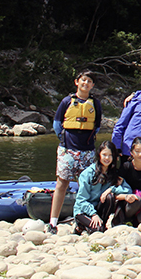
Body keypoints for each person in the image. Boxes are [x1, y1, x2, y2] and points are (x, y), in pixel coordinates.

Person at [49, 70, 101, 234]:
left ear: (92, 85)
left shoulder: (95, 103)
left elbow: (97, 125)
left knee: (86, 185)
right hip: (67, 150)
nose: (86, 83)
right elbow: (57, 124)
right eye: (83, 80)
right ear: (77, 82)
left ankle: (82, 220)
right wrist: (64, 140)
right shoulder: (66, 101)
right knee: (62, 183)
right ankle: (53, 222)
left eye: (89, 81)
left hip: (87, 150)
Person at [73, 141, 131, 234]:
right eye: (104, 155)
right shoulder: (87, 174)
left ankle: (100, 223)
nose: (107, 158)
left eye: (110, 155)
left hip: (99, 209)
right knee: (98, 231)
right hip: (84, 210)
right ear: (99, 155)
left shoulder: (113, 174)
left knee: (110, 197)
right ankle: (80, 226)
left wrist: (111, 189)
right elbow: (81, 200)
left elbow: (128, 190)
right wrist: (93, 214)